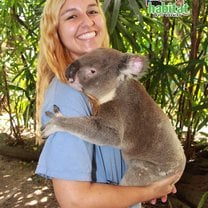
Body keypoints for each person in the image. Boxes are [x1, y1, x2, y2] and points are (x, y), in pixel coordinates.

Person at [35, 0, 180, 207]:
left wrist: (154, 179)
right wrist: (148, 190)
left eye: (92, 11)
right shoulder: (68, 96)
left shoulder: (114, 82)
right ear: (55, 31)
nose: (87, 22)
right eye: (72, 16)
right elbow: (75, 200)